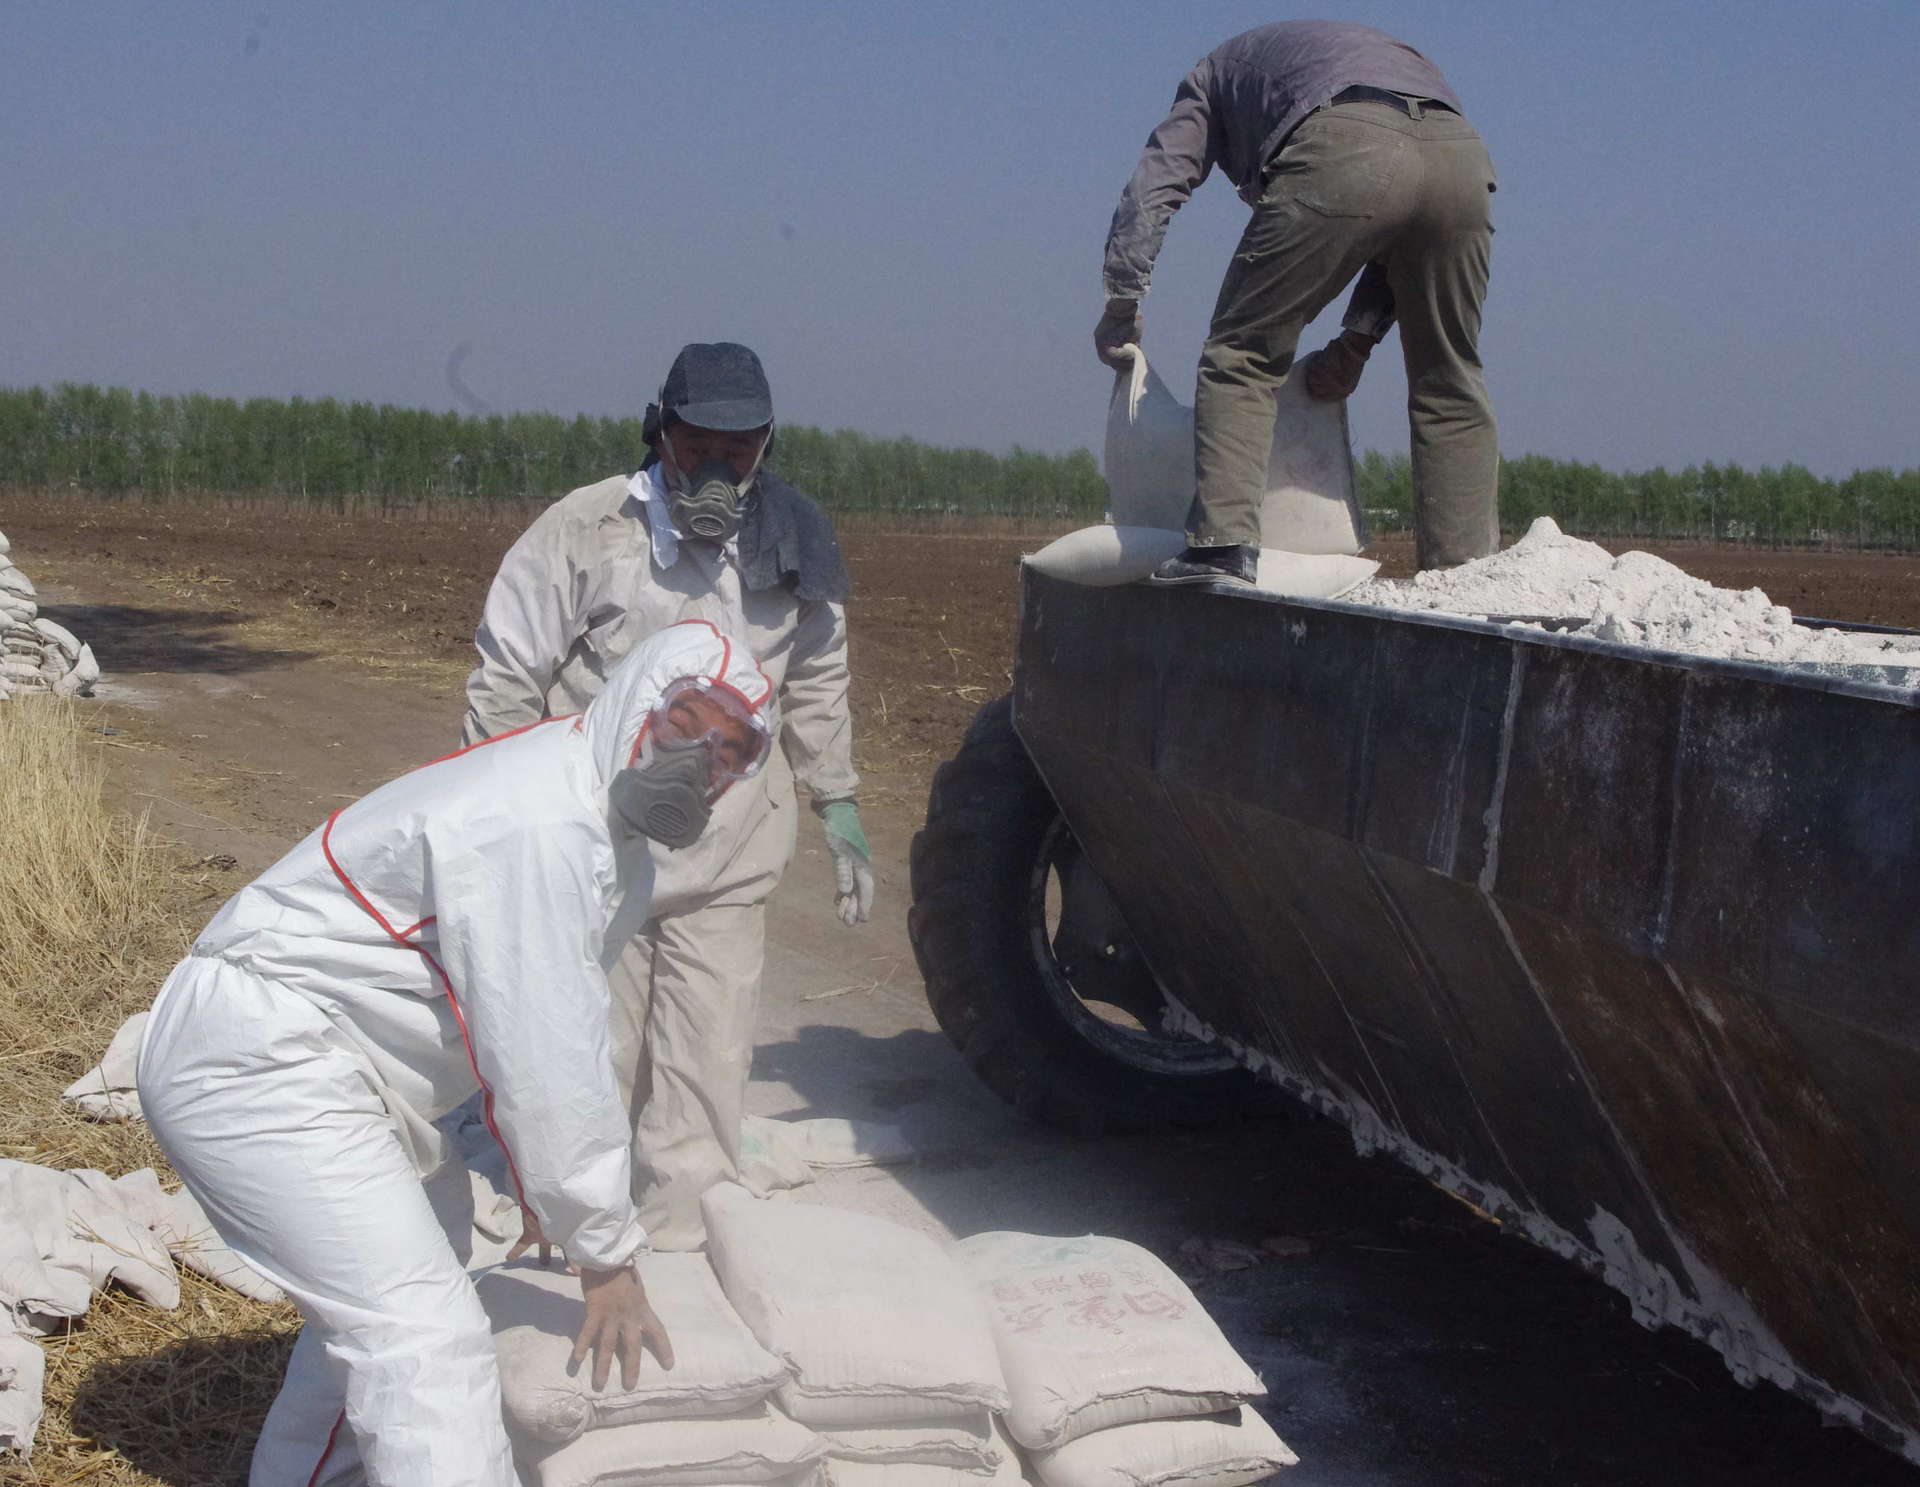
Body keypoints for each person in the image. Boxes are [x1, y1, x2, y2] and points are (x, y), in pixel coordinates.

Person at [137, 621, 773, 1487]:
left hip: (344, 1065)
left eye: (728, 752)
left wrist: (538, 1180)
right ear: (634, 701)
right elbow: (543, 1047)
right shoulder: (541, 820)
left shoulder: (602, 831)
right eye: (685, 721)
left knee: (392, 1295)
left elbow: (524, 1026)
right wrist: (604, 1254)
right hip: (262, 1060)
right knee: (422, 1334)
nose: (700, 760)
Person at [462, 341, 867, 1249]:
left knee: (705, 1061)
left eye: (742, 451)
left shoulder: (798, 536)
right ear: (660, 433)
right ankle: (576, 1231)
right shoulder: (587, 529)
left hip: (728, 848)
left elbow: (817, 678)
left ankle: (679, 1245)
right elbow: (507, 673)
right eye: (697, 448)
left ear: (768, 444)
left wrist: (836, 800)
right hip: (602, 843)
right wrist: (497, 816)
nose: (719, 471)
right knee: (590, 1053)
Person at [1094, 21, 1500, 582]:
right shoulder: (1381, 54)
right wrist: (1355, 345)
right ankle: (1467, 576)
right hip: (1462, 160)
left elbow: (1153, 189)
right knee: (1447, 378)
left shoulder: (1207, 80)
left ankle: (1222, 546)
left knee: (1243, 351)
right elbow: (1404, 209)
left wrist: (1121, 302)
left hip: (1340, 142)